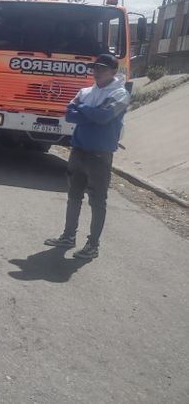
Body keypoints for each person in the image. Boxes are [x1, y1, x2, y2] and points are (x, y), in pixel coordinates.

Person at [44, 53, 129, 260]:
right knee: (74, 196)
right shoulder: (86, 91)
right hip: (78, 151)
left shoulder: (120, 94)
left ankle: (93, 245)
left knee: (97, 201)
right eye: (95, 68)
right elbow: (69, 115)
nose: (96, 71)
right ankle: (68, 237)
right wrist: (91, 112)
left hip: (100, 155)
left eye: (102, 68)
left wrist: (82, 108)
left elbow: (104, 116)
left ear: (113, 71)